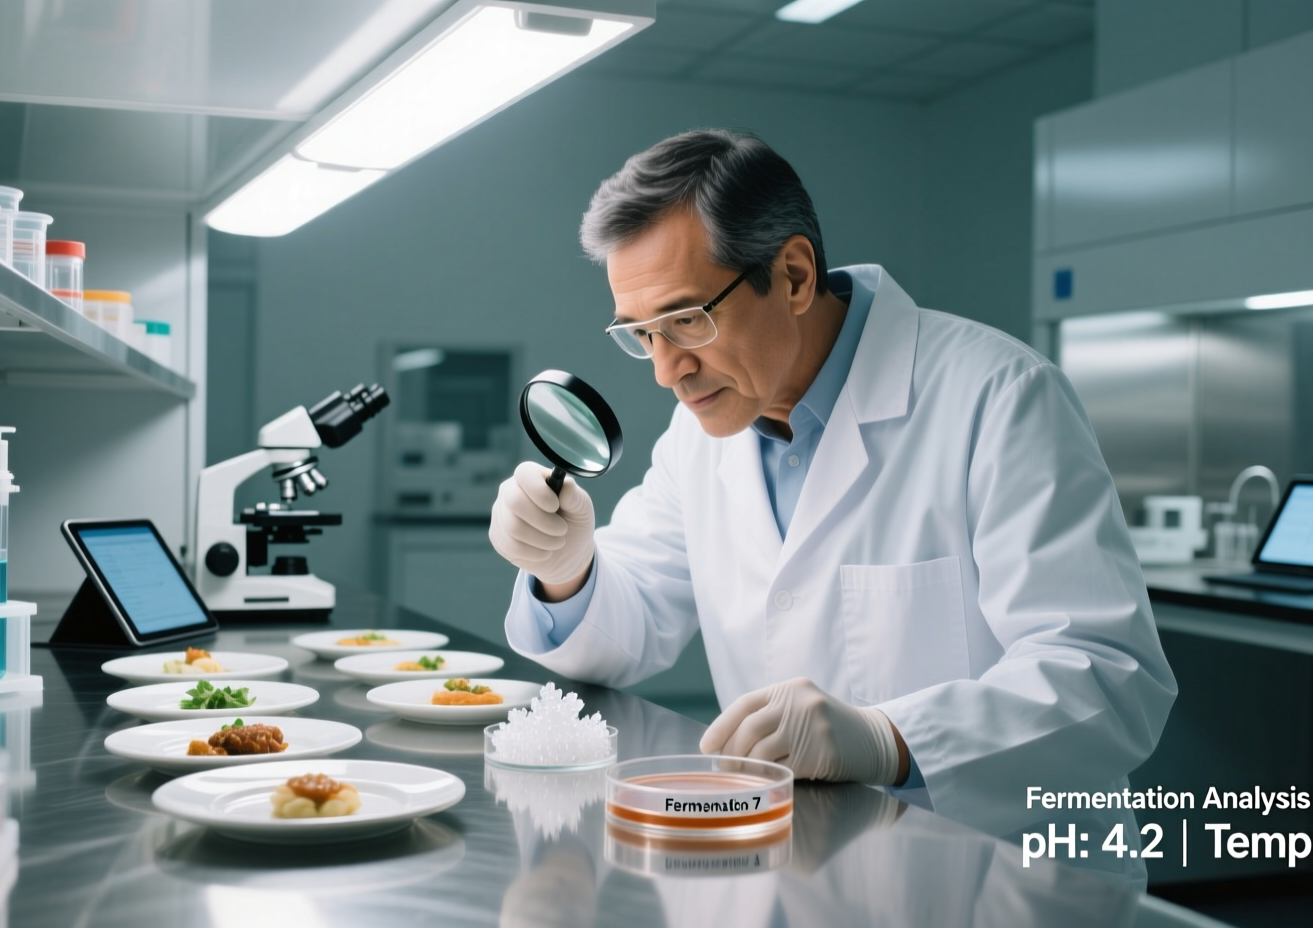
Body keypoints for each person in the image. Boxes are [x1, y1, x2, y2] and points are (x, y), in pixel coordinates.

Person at [489, 129, 1176, 798]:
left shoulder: (999, 396)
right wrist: (565, 571)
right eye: (643, 334)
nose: (668, 372)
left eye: (688, 320)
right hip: (792, 849)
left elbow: (1109, 682)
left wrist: (891, 739)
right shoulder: (698, 436)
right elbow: (626, 634)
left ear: (793, 275)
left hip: (998, 862)